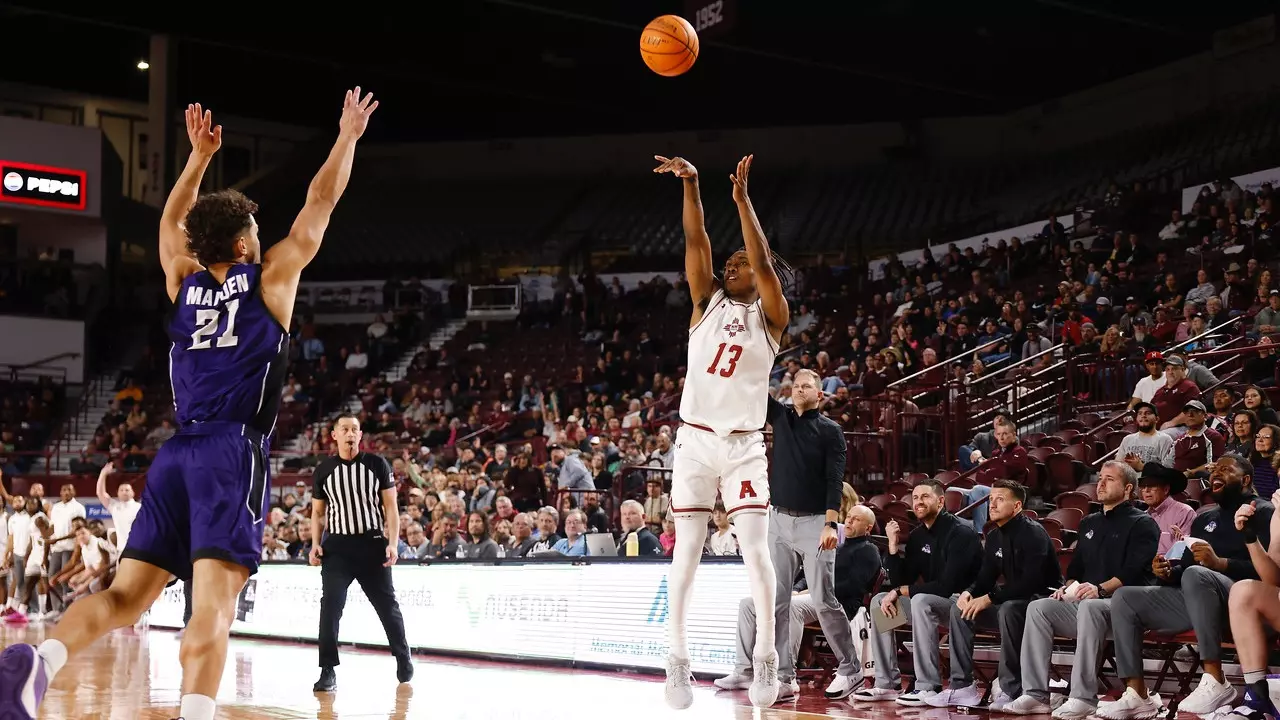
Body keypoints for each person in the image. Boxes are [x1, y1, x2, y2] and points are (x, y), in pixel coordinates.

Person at [0, 89, 379, 720]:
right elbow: (319, 203)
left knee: (124, 596)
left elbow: (167, 224)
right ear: (244, 242)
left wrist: (198, 159)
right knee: (212, 609)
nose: (263, 234)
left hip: (176, 454)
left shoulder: (183, 281)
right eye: (256, 228)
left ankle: (38, 665)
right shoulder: (273, 278)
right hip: (232, 453)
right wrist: (347, 138)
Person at [653, 153, 794, 709]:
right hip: (693, 442)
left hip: (742, 447)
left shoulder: (773, 316)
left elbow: (760, 258)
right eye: (729, 262)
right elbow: (696, 242)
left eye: (742, 262)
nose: (733, 264)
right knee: (684, 552)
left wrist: (742, 200)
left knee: (757, 554)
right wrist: (691, 185)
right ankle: (678, 657)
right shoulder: (703, 301)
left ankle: (766, 658)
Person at [1098, 454, 1271, 719]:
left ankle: (1215, 678)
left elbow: (1270, 573)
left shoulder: (1264, 512)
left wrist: (1221, 564)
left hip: (1243, 603)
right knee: (1125, 597)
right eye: (1214, 468)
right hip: (1198, 599)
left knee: (1197, 574)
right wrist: (1167, 573)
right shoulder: (1203, 519)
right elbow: (1186, 569)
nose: (1215, 473)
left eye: (1226, 470)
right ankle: (1137, 694)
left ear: (1246, 480)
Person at [1003, 461, 1158, 718]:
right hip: (1088, 604)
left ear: (1129, 488)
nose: (1101, 483)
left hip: (1126, 608)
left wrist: (1100, 589)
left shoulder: (1143, 523)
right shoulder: (1090, 522)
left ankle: (1083, 696)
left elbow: (1133, 571)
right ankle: (1035, 694)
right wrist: (1067, 589)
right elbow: (1075, 571)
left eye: (1110, 479)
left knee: (1090, 607)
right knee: (1039, 607)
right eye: (1100, 478)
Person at [759, 368, 857, 701]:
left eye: (807, 386)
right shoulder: (780, 416)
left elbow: (835, 481)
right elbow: (755, 386)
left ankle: (850, 667)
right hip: (778, 520)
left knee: (823, 599)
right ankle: (785, 677)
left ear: (820, 393)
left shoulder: (831, 431)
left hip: (816, 523)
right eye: (796, 386)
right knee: (778, 602)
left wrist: (831, 524)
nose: (800, 390)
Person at [717, 505, 880, 699]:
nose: (850, 522)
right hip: (809, 595)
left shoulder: (868, 550)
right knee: (748, 604)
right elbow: (805, 573)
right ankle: (743, 671)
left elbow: (853, 586)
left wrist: (811, 589)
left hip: (838, 602)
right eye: (850, 517)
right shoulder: (836, 544)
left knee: (791, 607)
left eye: (857, 519)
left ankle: (787, 676)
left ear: (868, 527)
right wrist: (796, 589)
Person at [926, 479, 1061, 709]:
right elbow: (985, 579)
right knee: (961, 610)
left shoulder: (1033, 533)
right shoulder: (995, 536)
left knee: (1008, 609)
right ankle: (961, 686)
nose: (992, 504)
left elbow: (1030, 583)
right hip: (1011, 600)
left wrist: (989, 598)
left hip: (1042, 602)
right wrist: (969, 593)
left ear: (1017, 506)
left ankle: (1011, 689)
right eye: (990, 499)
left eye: (1000, 499)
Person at [851, 479, 984, 705]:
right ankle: (887, 684)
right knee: (880, 601)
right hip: (930, 604)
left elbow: (946, 586)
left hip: (964, 604)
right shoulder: (917, 536)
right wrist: (893, 547)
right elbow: (904, 579)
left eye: (925, 497)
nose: (918, 502)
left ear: (941, 501)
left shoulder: (961, 532)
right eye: (915, 498)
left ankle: (928, 686)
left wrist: (902, 590)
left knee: (920, 600)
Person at [309, 414, 412, 692]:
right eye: (345, 429)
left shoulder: (377, 464)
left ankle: (403, 657)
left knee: (387, 606)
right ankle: (328, 669)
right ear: (334, 436)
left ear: (360, 434)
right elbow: (318, 513)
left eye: (354, 429)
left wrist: (393, 543)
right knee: (330, 606)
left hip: (372, 544)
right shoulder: (324, 470)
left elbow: (391, 508)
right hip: (337, 548)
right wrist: (315, 543)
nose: (350, 433)